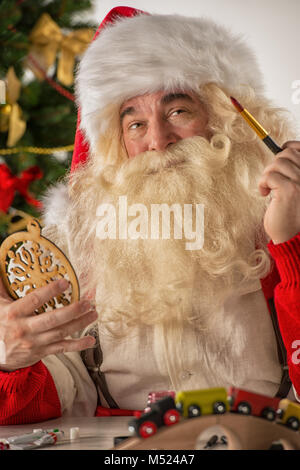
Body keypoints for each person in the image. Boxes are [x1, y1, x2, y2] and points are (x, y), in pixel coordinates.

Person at [0, 6, 299, 425]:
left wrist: (290, 243)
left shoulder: (284, 213)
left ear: (226, 121)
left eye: (178, 111)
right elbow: (36, 404)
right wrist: (10, 361)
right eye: (135, 123)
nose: (158, 141)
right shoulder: (74, 245)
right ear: (115, 143)